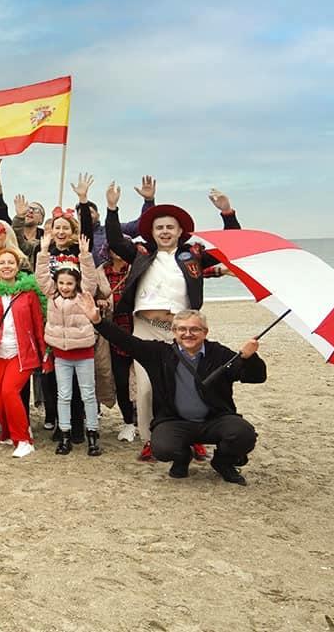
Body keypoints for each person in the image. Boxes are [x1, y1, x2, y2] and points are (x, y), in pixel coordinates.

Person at [105, 183, 241, 461]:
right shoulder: (141, 253)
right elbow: (116, 241)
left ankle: (192, 437)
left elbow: (231, 247)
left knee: (186, 385)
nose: (165, 231)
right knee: (146, 388)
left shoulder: (194, 255)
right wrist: (112, 208)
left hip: (182, 331)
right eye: (159, 228)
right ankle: (149, 439)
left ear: (180, 231)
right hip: (146, 328)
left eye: (170, 227)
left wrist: (227, 212)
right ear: (152, 232)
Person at [83, 301, 265, 484]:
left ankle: (222, 462)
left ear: (205, 332)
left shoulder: (220, 354)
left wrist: (249, 358)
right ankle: (182, 458)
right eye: (182, 329)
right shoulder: (159, 353)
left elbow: (256, 377)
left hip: (215, 419)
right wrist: (98, 321)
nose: (188, 334)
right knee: (162, 448)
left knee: (244, 434)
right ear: (174, 331)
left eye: (195, 329)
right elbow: (126, 341)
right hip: (175, 420)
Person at [35, 233, 108, 456]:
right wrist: (43, 252)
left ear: (76, 283)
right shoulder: (53, 296)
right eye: (61, 283)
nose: (65, 287)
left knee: (88, 395)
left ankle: (92, 436)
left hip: (84, 353)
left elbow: (90, 279)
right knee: (63, 395)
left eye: (69, 283)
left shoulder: (84, 296)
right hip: (61, 354)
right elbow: (42, 278)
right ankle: (65, 435)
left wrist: (85, 256)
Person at [0, 247, 46, 458]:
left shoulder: (28, 293)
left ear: (17, 266)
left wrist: (44, 354)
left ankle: (24, 440)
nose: (6, 266)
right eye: (2, 263)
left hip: (21, 353)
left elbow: (38, 325)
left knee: (9, 393)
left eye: (10, 263)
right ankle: (8, 433)